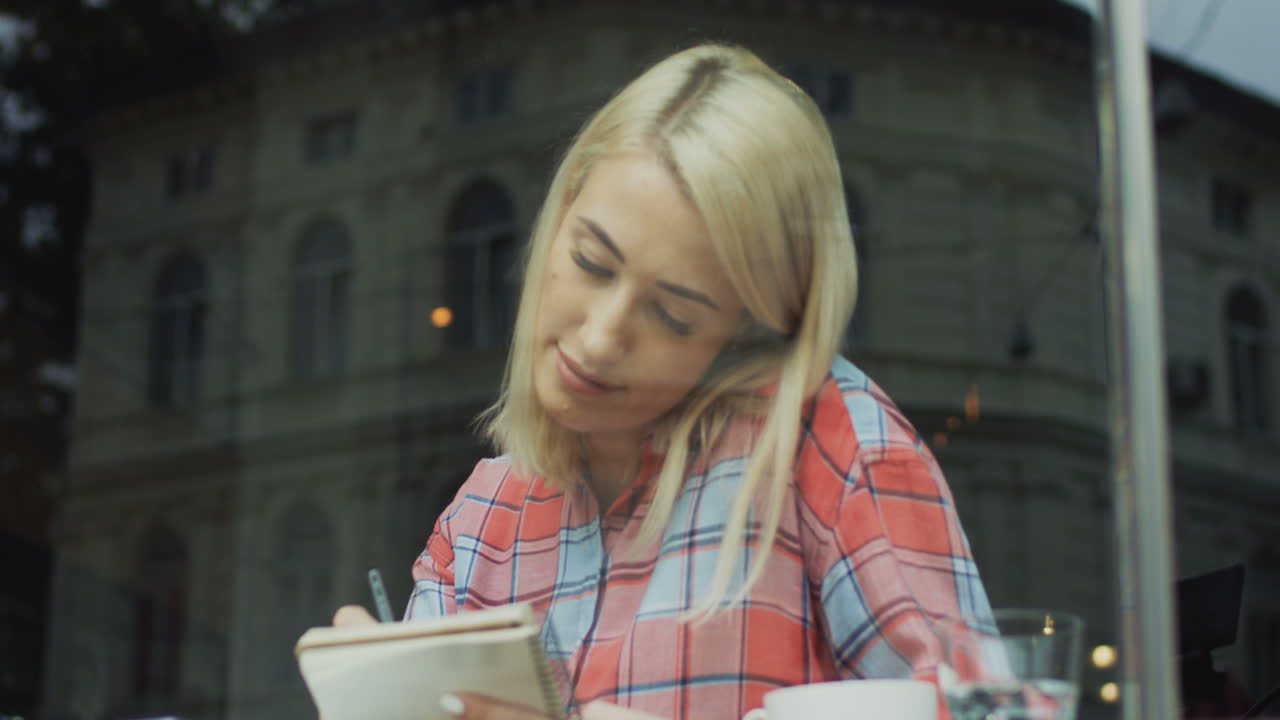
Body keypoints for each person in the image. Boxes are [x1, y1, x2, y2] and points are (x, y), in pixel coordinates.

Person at [333, 43, 993, 720]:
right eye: (590, 262)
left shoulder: (826, 443)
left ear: (745, 337)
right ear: (554, 221)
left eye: (671, 316)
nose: (599, 338)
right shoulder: (481, 521)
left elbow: (983, 712)